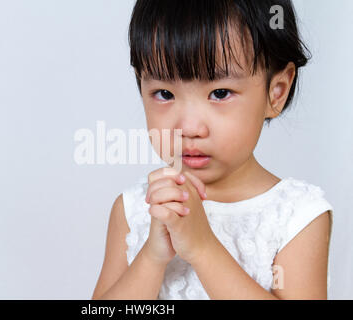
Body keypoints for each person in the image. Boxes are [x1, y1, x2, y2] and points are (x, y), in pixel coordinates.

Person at [92, 0, 333, 300]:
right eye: (164, 93)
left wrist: (203, 248)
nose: (190, 127)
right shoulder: (134, 210)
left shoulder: (297, 216)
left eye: (220, 93)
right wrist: (151, 257)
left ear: (277, 92)